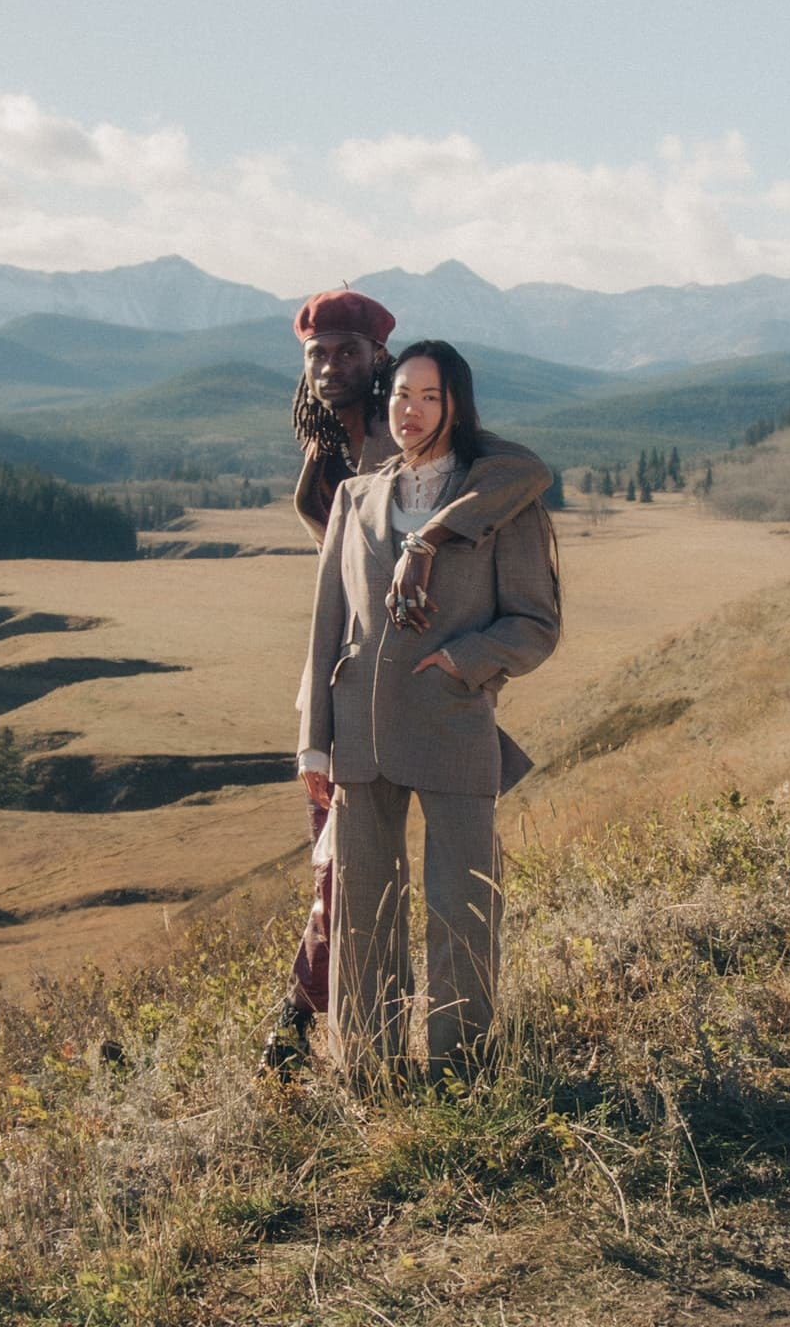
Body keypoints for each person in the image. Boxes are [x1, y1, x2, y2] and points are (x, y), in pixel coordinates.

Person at [264, 292, 551, 1073]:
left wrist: (432, 547)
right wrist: (312, 736)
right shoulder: (340, 470)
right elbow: (331, 610)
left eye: (349, 353)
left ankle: (463, 1068)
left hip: (445, 713)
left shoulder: (486, 475)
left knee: (460, 900)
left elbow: (526, 492)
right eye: (317, 354)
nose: (331, 367)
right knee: (352, 894)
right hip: (353, 714)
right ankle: (352, 1057)